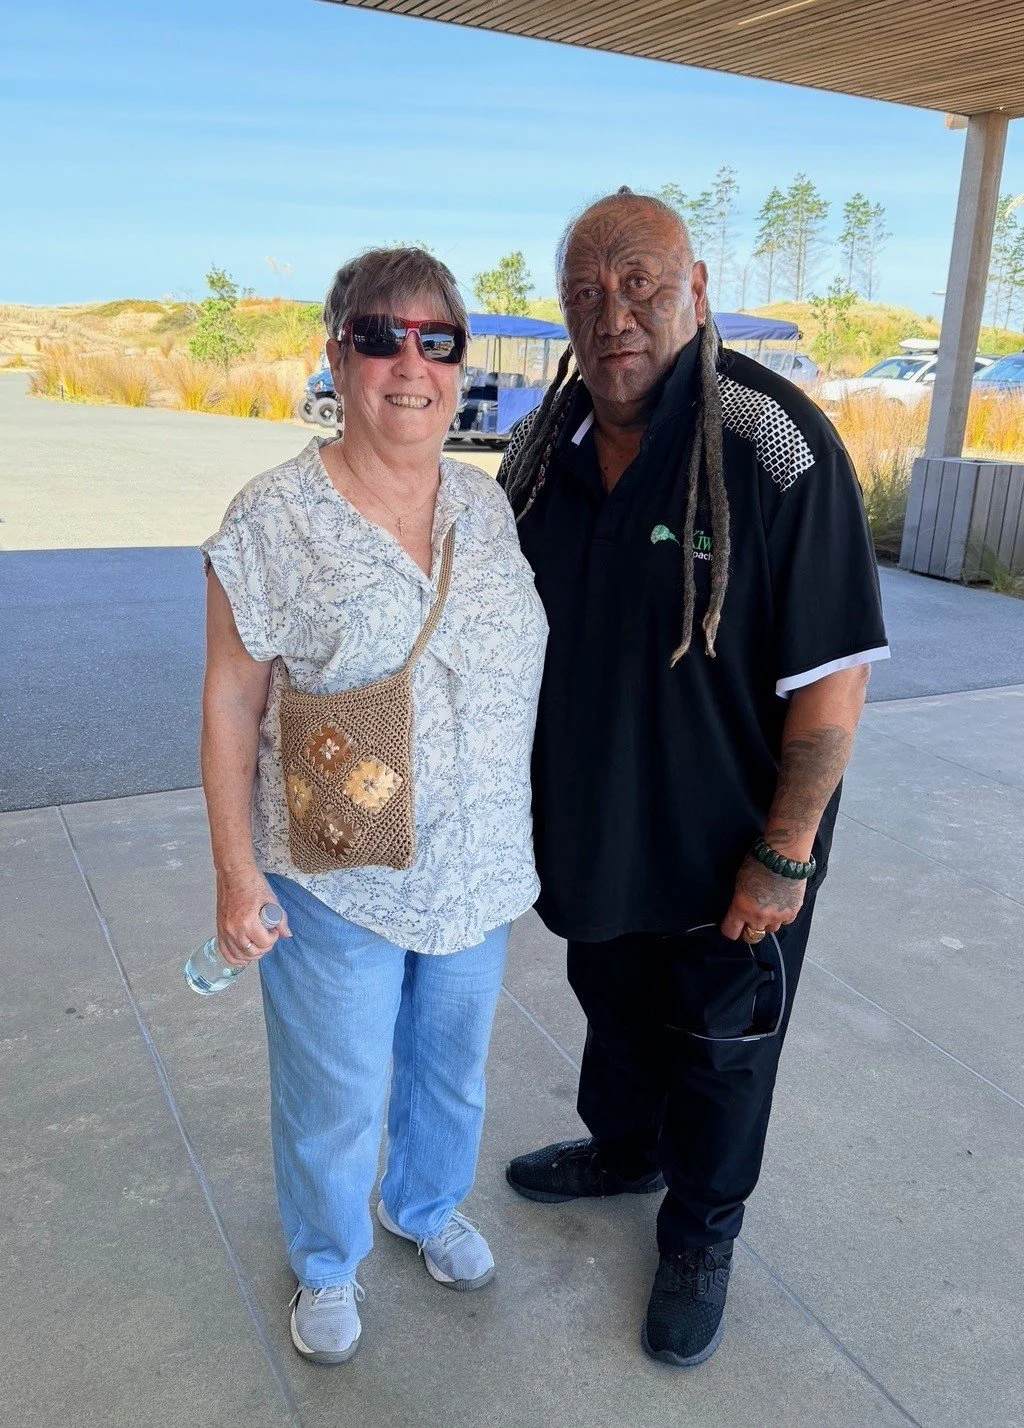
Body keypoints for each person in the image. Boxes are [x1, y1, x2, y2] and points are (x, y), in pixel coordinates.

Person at [500, 190, 889, 1367]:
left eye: (639, 283)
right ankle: (624, 1150)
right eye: (584, 291)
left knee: (722, 1051)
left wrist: (785, 853)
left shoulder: (772, 442)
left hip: (734, 843)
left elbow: (830, 681)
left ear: (698, 288)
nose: (611, 312)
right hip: (594, 828)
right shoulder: (541, 448)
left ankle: (701, 1233)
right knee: (613, 1007)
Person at [199, 247, 547, 1366]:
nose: (411, 363)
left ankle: (424, 1201)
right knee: (335, 1088)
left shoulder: (487, 510)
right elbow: (227, 700)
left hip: (479, 863)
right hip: (335, 867)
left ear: (459, 363)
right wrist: (234, 872)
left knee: (452, 1067)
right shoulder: (272, 517)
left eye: (436, 340)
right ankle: (326, 1260)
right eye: (380, 336)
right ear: (335, 355)